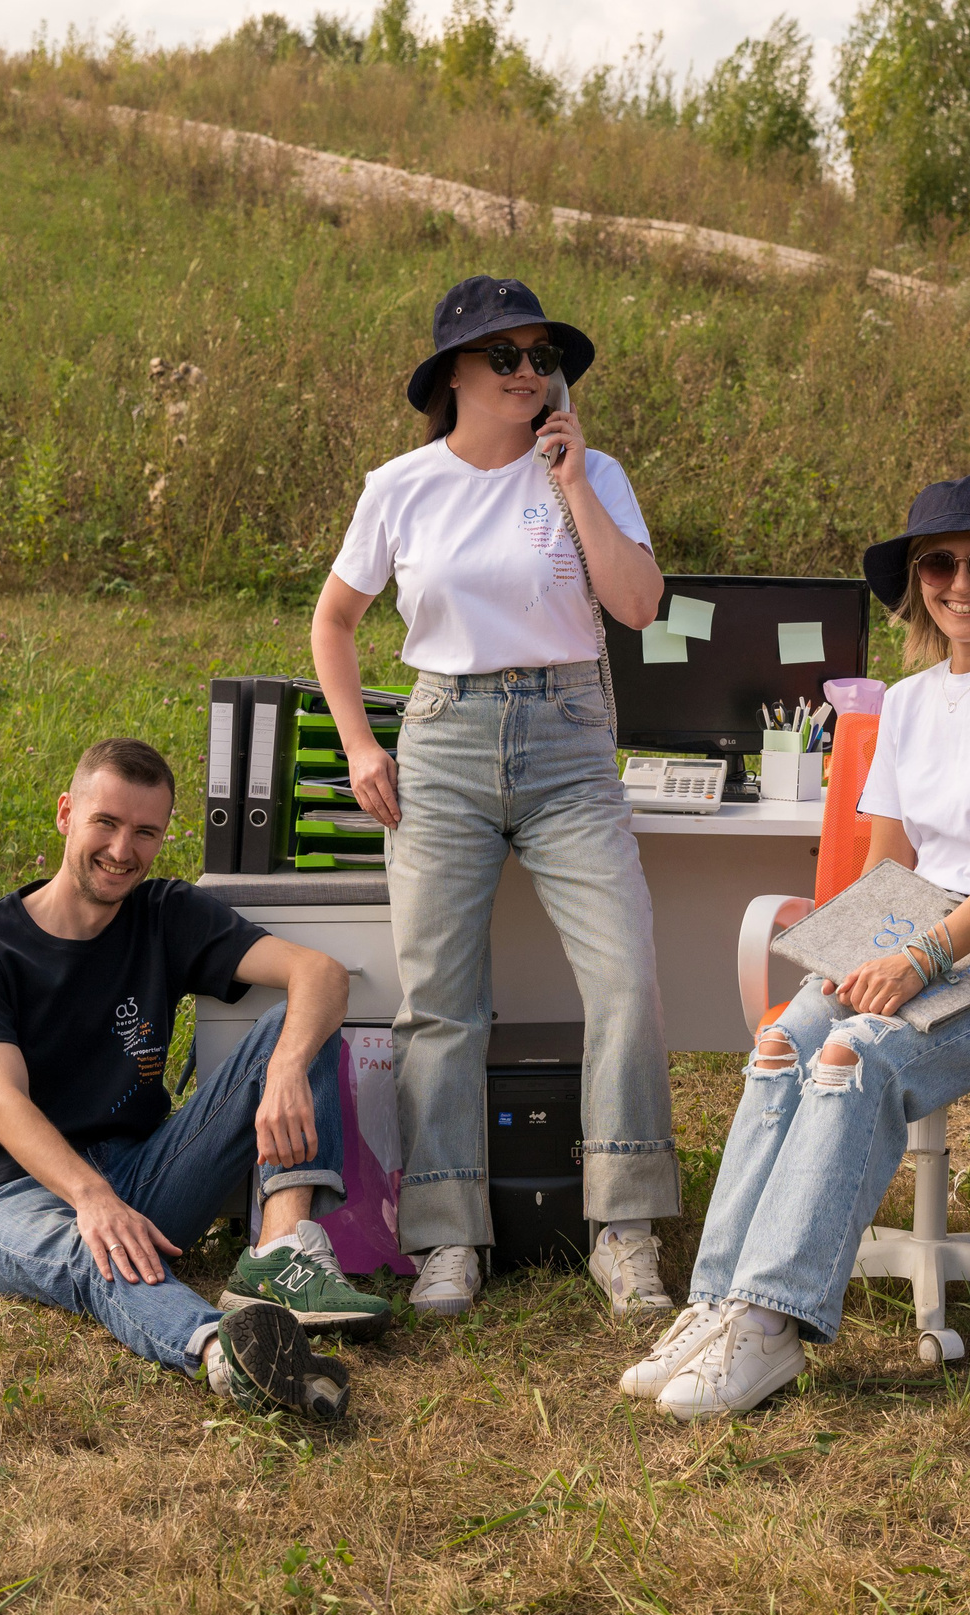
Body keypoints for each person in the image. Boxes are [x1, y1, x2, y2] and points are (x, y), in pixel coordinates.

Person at [624, 475, 970, 1419]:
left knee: (857, 1054)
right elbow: (891, 863)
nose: (960, 581)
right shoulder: (909, 701)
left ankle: (770, 1326)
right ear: (916, 579)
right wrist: (855, 956)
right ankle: (715, 1302)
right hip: (922, 924)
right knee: (784, 1044)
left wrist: (919, 959)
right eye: (939, 562)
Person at [310, 274, 678, 1320]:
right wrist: (358, 746)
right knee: (439, 1005)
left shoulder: (592, 471)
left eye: (540, 357)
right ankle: (445, 1238)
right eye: (506, 357)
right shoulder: (400, 485)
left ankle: (624, 1229)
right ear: (456, 376)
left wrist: (571, 483)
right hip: (442, 738)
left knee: (626, 980)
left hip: (568, 742)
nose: (529, 373)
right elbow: (331, 624)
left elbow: (640, 606)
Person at [0, 738, 391, 1419]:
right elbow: (1, 1103)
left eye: (145, 832)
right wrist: (92, 1198)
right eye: (107, 823)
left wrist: (288, 1067)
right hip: (13, 1191)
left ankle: (280, 1255)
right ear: (66, 813)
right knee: (93, 1247)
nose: (123, 849)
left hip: (146, 1175)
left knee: (296, 1027)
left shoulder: (165, 914)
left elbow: (319, 973)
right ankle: (225, 1353)